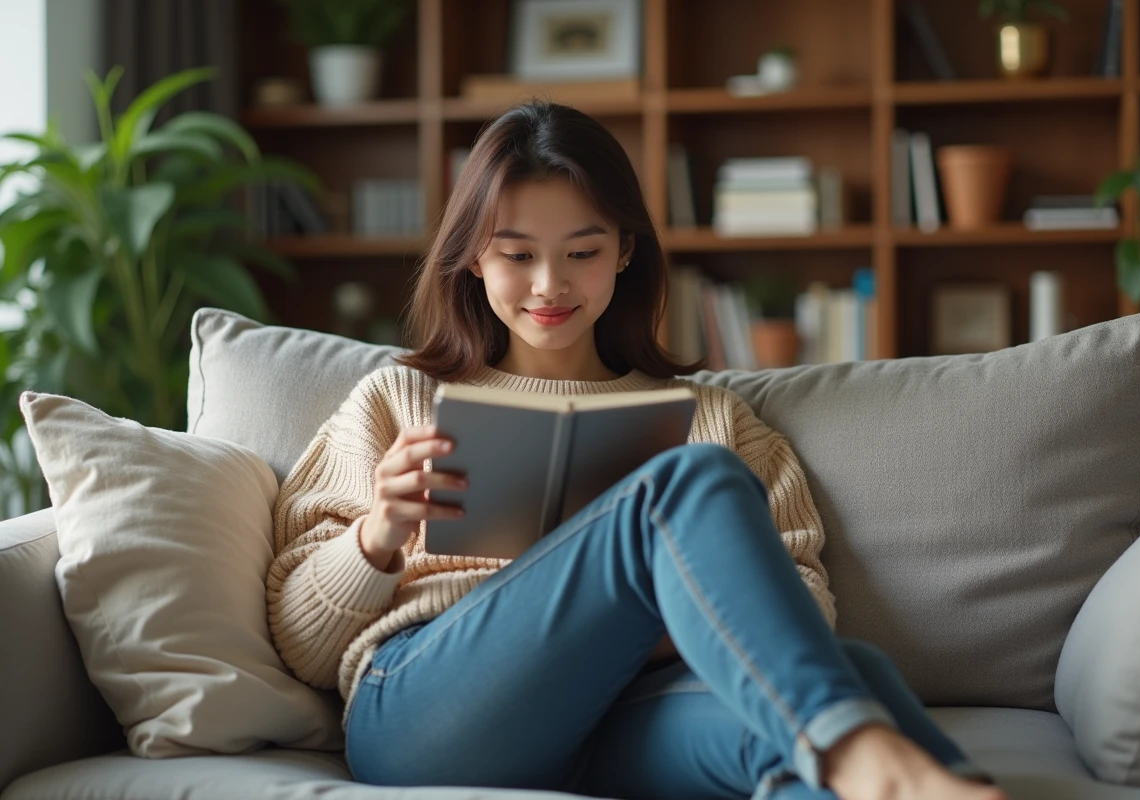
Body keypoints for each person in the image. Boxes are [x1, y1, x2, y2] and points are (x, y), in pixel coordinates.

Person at [267, 101, 1007, 800]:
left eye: (581, 252)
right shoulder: (398, 401)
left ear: (624, 251)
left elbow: (799, 611)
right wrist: (378, 537)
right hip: (436, 712)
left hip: (631, 718)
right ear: (472, 260)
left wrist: (630, 623)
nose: (548, 285)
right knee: (686, 484)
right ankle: (868, 760)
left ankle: (895, 772)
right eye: (516, 255)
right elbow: (302, 646)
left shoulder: (714, 415)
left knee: (854, 674)